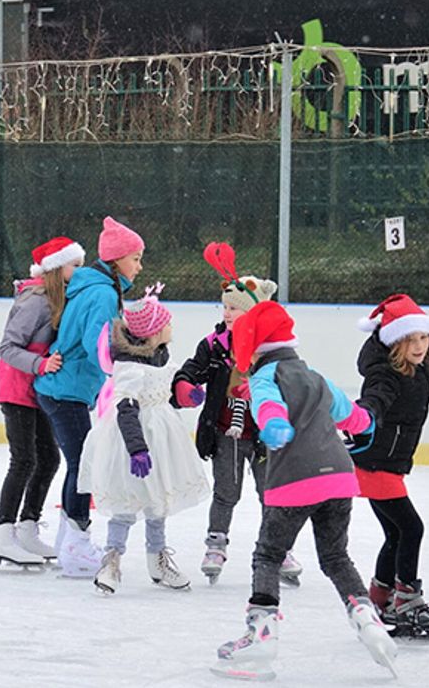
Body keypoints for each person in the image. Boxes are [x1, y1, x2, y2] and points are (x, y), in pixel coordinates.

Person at [212, 301, 396, 682]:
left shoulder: (265, 378)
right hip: (339, 478)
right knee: (335, 556)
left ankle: (261, 636)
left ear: (253, 348)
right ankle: (367, 619)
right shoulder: (316, 377)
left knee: (268, 555)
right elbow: (354, 417)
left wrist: (275, 424)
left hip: (294, 480)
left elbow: (268, 406)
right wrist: (366, 424)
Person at [172, 242, 303, 586]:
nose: (228, 313)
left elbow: (293, 383)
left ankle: (280, 548)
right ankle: (216, 544)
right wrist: (183, 387)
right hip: (226, 431)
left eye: (235, 308)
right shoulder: (214, 344)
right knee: (226, 492)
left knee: (271, 492)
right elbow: (191, 370)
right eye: (225, 306)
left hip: (263, 435)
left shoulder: (271, 350)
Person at [352, 294, 429, 643]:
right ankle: (406, 599)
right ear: (392, 344)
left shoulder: (422, 368)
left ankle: (379, 596)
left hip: (386, 465)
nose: (419, 346)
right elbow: (375, 397)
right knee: (411, 528)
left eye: (423, 338)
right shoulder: (385, 376)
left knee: (396, 533)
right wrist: (365, 414)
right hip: (375, 465)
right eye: (409, 341)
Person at [33, 216, 143, 578]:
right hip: (66, 391)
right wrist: (129, 359)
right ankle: (77, 544)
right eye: (136, 258)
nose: (139, 267)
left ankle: (70, 537)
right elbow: (98, 343)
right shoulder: (103, 292)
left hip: (67, 390)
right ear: (116, 260)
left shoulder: (91, 286)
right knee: (85, 465)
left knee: (81, 464)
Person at [82, 286, 210, 594]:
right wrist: (137, 450)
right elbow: (126, 409)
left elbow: (165, 394)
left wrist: (186, 397)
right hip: (132, 442)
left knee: (158, 501)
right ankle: (111, 561)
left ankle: (158, 561)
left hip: (163, 440)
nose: (171, 327)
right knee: (127, 501)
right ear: (153, 333)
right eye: (166, 323)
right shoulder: (130, 368)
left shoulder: (161, 356)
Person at [0, 237, 82, 566]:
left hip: (40, 390)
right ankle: (2, 533)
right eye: (75, 265)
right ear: (57, 268)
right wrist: (41, 364)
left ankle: (27, 527)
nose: (79, 271)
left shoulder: (60, 298)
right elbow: (8, 347)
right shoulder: (36, 299)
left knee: (49, 460)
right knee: (24, 460)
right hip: (17, 389)